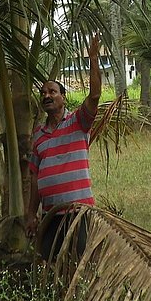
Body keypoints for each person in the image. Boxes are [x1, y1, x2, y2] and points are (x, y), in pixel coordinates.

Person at [27, 33, 102, 262]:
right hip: (50, 217)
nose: (47, 96)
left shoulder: (78, 122)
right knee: (50, 265)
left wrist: (93, 59)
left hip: (78, 214)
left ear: (63, 98)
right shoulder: (38, 135)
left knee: (80, 266)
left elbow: (95, 95)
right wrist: (31, 213)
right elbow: (34, 178)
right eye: (43, 93)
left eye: (52, 92)